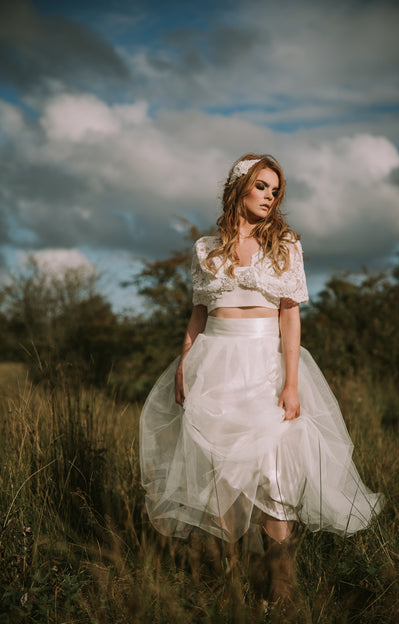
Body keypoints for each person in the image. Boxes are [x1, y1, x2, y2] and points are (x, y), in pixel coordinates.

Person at [140, 153, 383, 599]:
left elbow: (289, 318)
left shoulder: (284, 244)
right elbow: (197, 314)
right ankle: (232, 587)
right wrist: (183, 364)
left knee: (273, 473)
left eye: (276, 190)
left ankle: (282, 589)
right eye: (262, 186)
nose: (270, 196)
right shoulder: (203, 248)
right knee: (225, 475)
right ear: (239, 187)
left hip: (263, 363)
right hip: (212, 365)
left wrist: (290, 382)